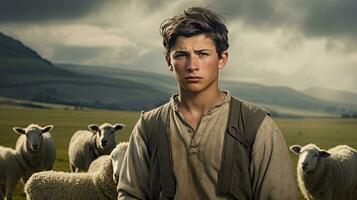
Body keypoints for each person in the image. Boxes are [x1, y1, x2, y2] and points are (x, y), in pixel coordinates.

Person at [118, 7, 298, 200]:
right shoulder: (149, 126)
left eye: (202, 54)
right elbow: (131, 195)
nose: (192, 65)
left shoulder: (256, 125)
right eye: (181, 55)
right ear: (169, 61)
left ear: (222, 59)